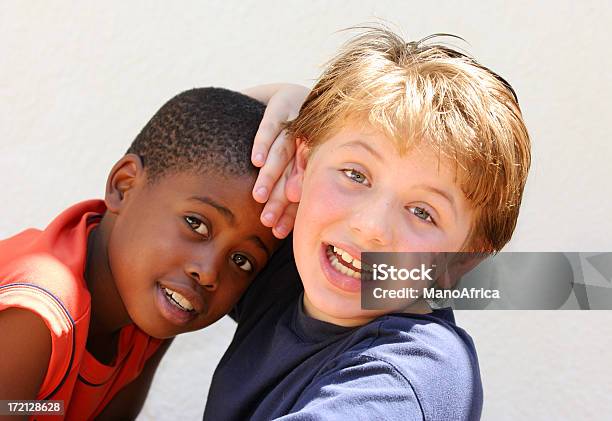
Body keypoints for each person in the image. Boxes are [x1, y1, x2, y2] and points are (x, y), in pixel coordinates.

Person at [204, 28, 531, 420]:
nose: (372, 226)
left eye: (422, 212)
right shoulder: (291, 272)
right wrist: (283, 102)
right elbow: (189, 160)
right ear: (302, 165)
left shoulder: (405, 382)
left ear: (461, 262)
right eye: (355, 175)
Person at [0, 85, 307, 420]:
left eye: (242, 260)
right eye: (196, 224)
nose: (208, 272)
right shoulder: (39, 316)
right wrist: (293, 95)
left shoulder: (149, 311)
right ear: (124, 185)